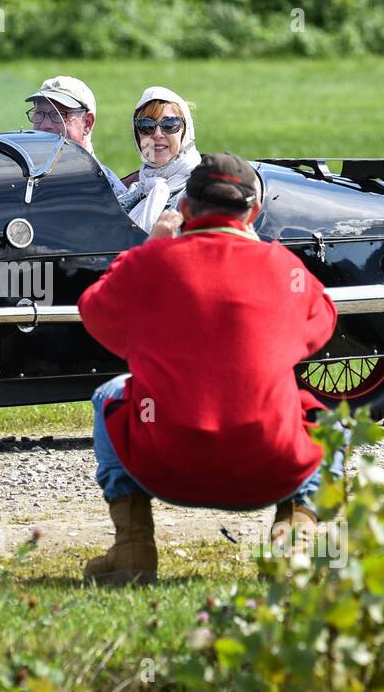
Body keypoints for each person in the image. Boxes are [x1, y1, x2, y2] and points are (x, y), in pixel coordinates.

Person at [77, 153, 340, 585]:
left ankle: (133, 547)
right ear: (253, 212)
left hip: (164, 465)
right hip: (271, 467)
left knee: (108, 395)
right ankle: (295, 542)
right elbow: (322, 320)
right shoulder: (282, 267)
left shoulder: (151, 263)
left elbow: (95, 311)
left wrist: (155, 247)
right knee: (331, 423)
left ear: (184, 209)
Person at [25, 75, 128, 197]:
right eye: (39, 113)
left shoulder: (107, 192)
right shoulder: (22, 179)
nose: (45, 125)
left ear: (87, 123)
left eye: (59, 115)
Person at [118, 86, 201, 233]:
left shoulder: (201, 193)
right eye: (146, 126)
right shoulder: (131, 190)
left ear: (185, 131)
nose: (157, 134)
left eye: (169, 125)